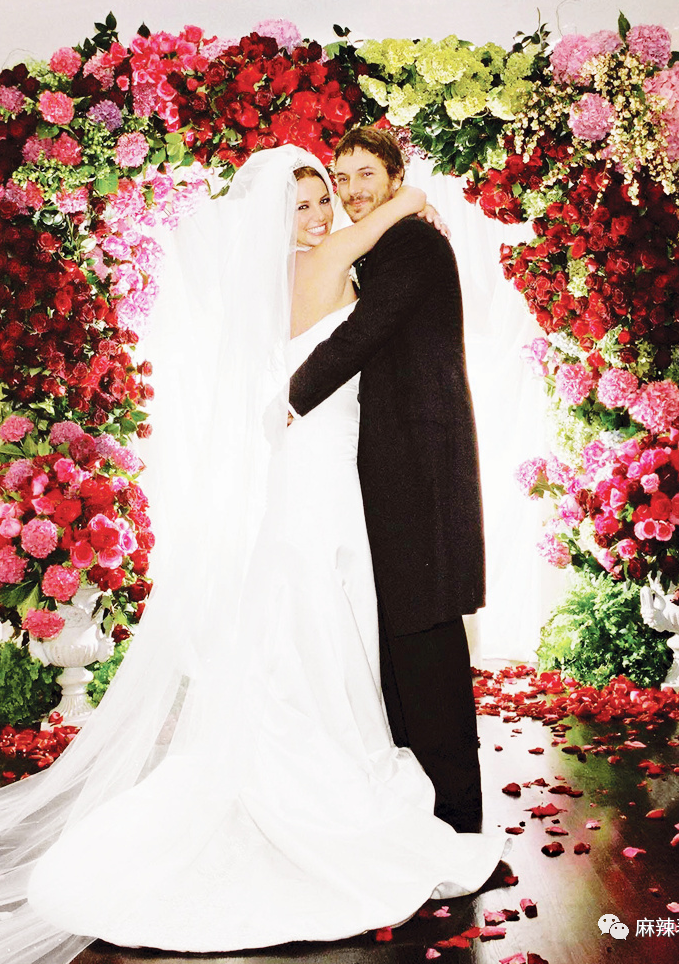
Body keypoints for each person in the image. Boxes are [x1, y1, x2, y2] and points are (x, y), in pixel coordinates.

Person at [0, 146, 504, 961]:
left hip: (333, 471)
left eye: (329, 195)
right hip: (323, 473)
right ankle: (328, 781)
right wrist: (409, 198)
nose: (324, 211)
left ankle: (340, 758)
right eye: (308, 201)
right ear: (275, 220)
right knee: (321, 613)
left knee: (325, 620)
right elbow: (360, 316)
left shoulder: (290, 272)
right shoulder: (330, 259)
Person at [289, 128, 486, 834]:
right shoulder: (380, 244)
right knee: (400, 640)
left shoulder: (412, 244)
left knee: (426, 638)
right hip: (388, 467)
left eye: (364, 174)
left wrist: (288, 399)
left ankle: (457, 815)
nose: (350, 191)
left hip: (420, 469)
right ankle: (422, 807)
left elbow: (362, 332)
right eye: (341, 178)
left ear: (396, 176)